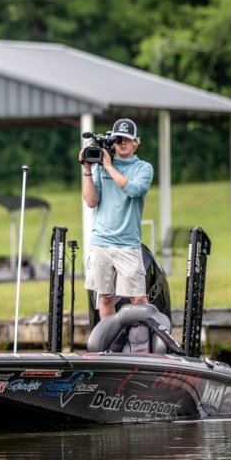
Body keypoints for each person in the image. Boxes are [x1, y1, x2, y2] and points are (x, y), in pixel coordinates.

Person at [79, 118, 154, 320]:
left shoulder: (143, 168)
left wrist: (110, 167)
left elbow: (134, 190)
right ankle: (109, 339)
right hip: (101, 242)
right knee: (105, 298)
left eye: (127, 139)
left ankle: (141, 338)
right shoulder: (100, 167)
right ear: (112, 142)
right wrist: (87, 170)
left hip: (127, 244)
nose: (122, 143)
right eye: (118, 139)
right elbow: (91, 201)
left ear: (135, 142)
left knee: (138, 299)